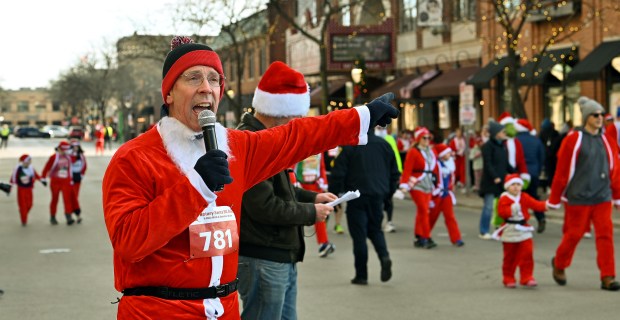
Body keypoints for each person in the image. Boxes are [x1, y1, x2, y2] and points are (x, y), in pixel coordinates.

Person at [101, 36, 399, 319]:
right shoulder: (134, 158)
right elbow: (129, 241)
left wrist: (363, 116)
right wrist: (196, 186)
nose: (207, 88)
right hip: (159, 311)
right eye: (193, 78)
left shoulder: (237, 147)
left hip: (224, 307)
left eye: (214, 79)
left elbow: (297, 136)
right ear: (168, 92)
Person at [234, 61, 338, 319]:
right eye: (296, 115)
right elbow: (263, 206)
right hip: (263, 256)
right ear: (280, 110)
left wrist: (312, 197)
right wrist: (310, 212)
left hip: (275, 254)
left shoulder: (270, 139)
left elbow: (281, 190)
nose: (298, 122)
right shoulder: (253, 142)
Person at [548, 96, 620, 291]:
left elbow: (615, 169)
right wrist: (554, 198)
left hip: (602, 197)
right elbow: (562, 171)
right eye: (595, 114)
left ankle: (608, 276)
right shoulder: (573, 139)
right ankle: (560, 264)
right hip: (578, 197)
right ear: (587, 116)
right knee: (574, 234)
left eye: (602, 114)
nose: (600, 118)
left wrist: (617, 195)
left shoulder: (607, 140)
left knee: (606, 236)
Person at [329, 124, 400, 285]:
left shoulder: (350, 146)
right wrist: (388, 195)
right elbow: (394, 173)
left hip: (356, 196)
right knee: (375, 229)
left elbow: (338, 173)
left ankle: (361, 275)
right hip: (378, 194)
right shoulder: (384, 145)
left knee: (359, 235)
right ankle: (384, 256)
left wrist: (334, 198)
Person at [494, 173, 549, 288]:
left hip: (524, 229)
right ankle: (508, 277)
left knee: (527, 253)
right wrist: (511, 209)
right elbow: (501, 212)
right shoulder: (504, 198)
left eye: (518, 184)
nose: (515, 187)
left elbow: (536, 205)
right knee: (510, 256)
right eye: (513, 184)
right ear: (507, 186)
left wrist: (547, 205)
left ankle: (527, 277)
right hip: (510, 229)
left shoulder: (524, 197)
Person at [399, 127, 439, 248]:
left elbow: (436, 168)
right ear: (418, 139)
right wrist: (404, 185)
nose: (427, 140)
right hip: (417, 184)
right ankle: (427, 237)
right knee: (424, 211)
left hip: (428, 184)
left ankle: (419, 235)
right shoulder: (413, 152)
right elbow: (407, 169)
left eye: (428, 137)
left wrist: (438, 184)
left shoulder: (431, 151)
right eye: (424, 138)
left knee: (423, 211)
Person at [294, 153, 336, 257]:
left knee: (319, 214)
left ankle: (324, 243)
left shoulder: (319, 150)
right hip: (300, 185)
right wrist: (293, 181)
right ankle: (295, 243)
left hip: (314, 184)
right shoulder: (300, 145)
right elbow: (291, 164)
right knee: (296, 213)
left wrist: (323, 182)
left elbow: (321, 167)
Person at [478, 120, 512, 239]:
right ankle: (484, 230)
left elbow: (506, 163)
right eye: (503, 132)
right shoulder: (488, 146)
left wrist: (515, 173)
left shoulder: (502, 146)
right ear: (496, 133)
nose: (504, 133)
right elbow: (488, 164)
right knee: (488, 206)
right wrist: (495, 176)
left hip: (502, 181)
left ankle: (500, 228)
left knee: (502, 206)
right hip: (490, 181)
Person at [514, 118, 546, 233]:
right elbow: (542, 156)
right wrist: (537, 170)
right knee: (533, 197)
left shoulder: (515, 140)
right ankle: (541, 217)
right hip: (533, 172)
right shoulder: (536, 140)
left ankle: (522, 221)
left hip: (520, 174)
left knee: (519, 198)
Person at [429, 144, 464, 247]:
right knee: (432, 216)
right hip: (437, 194)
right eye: (448, 153)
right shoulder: (435, 165)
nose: (450, 154)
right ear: (442, 154)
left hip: (447, 194)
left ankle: (456, 238)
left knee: (450, 217)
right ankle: (424, 235)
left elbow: (451, 180)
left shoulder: (450, 164)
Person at [375, 126, 402, 233]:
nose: (381, 129)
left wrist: (399, 171)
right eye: (379, 127)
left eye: (383, 128)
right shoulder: (369, 139)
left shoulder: (390, 139)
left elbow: (396, 156)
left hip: (388, 174)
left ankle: (389, 221)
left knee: (389, 199)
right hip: (376, 174)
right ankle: (377, 221)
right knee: (377, 200)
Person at [41, 141, 75, 225]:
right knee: (54, 199)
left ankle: (68, 216)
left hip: (66, 181)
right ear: (59, 149)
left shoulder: (69, 157)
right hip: (55, 181)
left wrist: (71, 180)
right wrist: (43, 178)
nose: (65, 151)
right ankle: (52, 216)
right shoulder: (53, 157)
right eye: (64, 150)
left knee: (67, 199)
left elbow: (71, 168)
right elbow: (47, 167)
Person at [9, 154, 46, 226]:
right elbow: (13, 179)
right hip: (21, 189)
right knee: (23, 205)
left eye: (30, 160)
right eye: (28, 160)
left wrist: (42, 180)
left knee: (30, 204)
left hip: (29, 189)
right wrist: (10, 187)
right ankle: (24, 220)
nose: (30, 162)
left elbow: (36, 175)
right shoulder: (18, 169)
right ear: (24, 161)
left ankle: (24, 212)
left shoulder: (31, 168)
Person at [69, 139, 87, 223]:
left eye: (77, 146)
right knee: (71, 197)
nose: (75, 148)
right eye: (74, 146)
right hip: (69, 179)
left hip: (77, 178)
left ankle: (76, 214)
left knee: (75, 197)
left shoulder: (81, 155)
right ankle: (74, 214)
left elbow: (84, 165)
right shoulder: (68, 155)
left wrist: (82, 174)